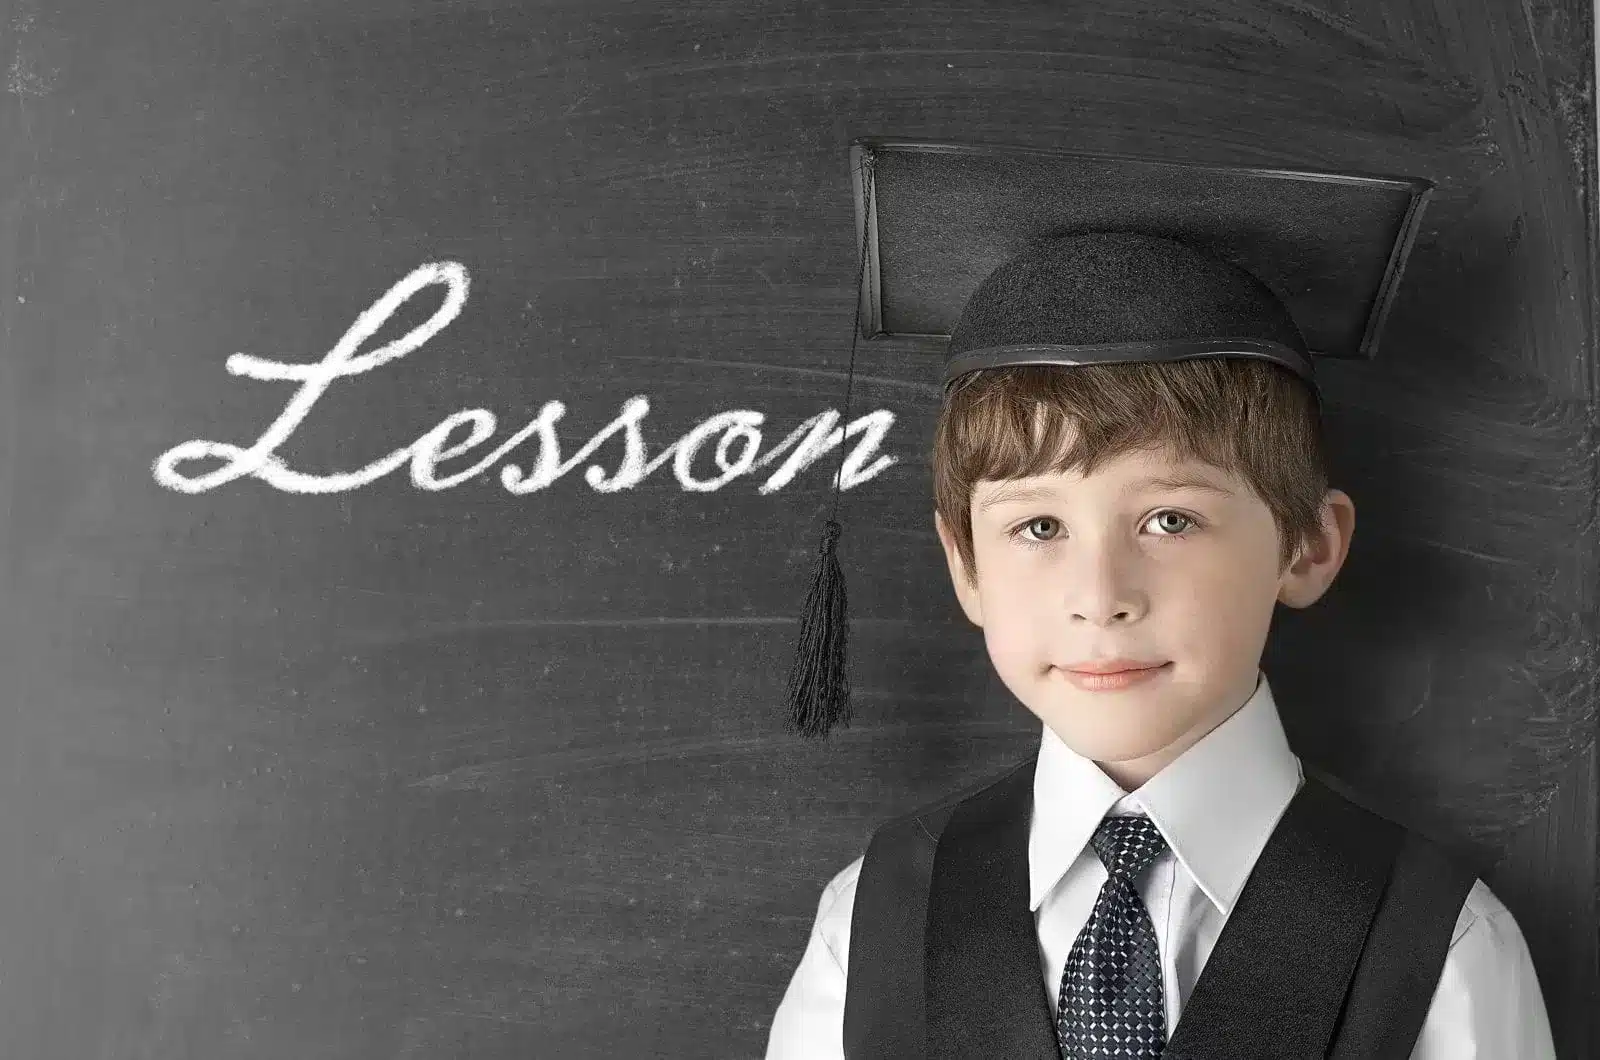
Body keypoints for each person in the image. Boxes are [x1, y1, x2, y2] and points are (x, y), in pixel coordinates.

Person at [766, 139, 1557, 1058]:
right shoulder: (872, 923)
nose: (1101, 597)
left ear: (1308, 546)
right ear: (965, 564)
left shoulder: (1440, 945)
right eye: (1038, 527)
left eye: (1171, 520)